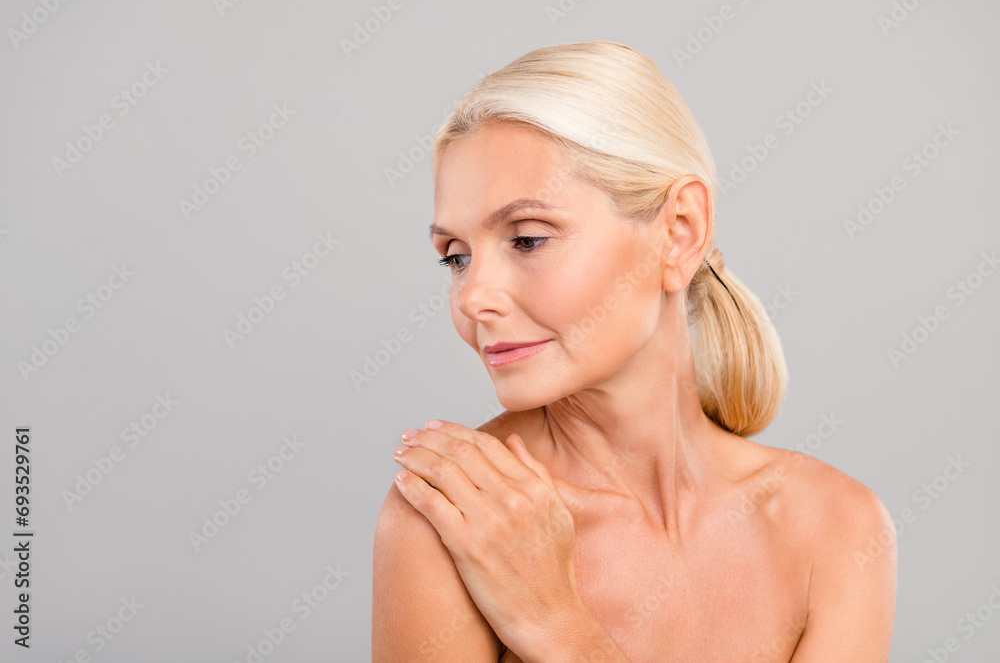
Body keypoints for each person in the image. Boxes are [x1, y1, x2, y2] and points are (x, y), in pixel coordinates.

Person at [372, 40, 896, 662]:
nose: (474, 297)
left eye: (529, 239)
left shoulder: (838, 527)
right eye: (455, 256)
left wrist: (557, 626)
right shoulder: (455, 519)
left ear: (679, 233)